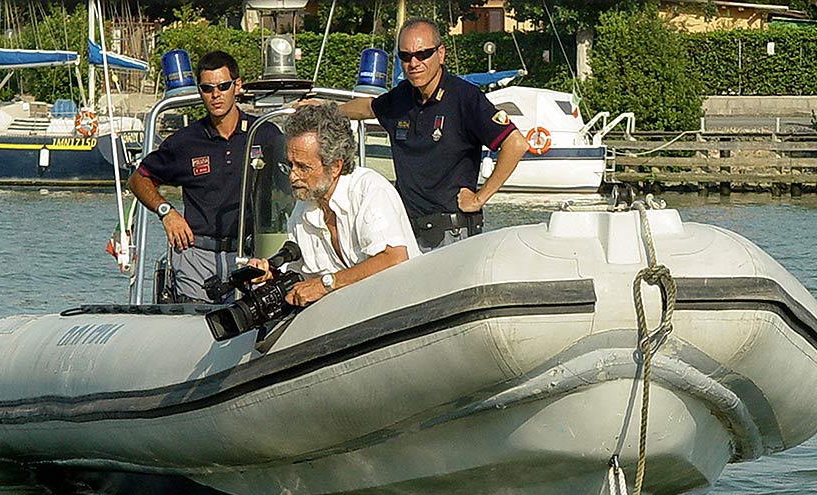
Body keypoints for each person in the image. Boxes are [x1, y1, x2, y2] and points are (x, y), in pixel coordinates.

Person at [339, 17, 529, 251]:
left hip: (450, 234)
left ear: (440, 54)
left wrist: (480, 198)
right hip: (405, 231)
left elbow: (516, 143)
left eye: (423, 54)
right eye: (405, 56)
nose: (414, 63)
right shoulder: (402, 97)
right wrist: (326, 109)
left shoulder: (464, 98)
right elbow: (369, 107)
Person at [127, 50, 280, 303]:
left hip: (249, 253)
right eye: (208, 88)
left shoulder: (264, 133)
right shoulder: (185, 142)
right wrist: (167, 211)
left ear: (237, 86)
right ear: (200, 91)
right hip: (195, 256)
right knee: (194, 325)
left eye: (223, 86)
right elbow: (138, 179)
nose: (216, 94)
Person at [247, 103, 420, 307]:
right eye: (289, 165)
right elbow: (303, 279)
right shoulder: (302, 210)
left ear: (335, 166)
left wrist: (326, 283)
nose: (293, 176)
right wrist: (269, 275)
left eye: (303, 167)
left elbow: (394, 258)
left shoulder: (368, 190)